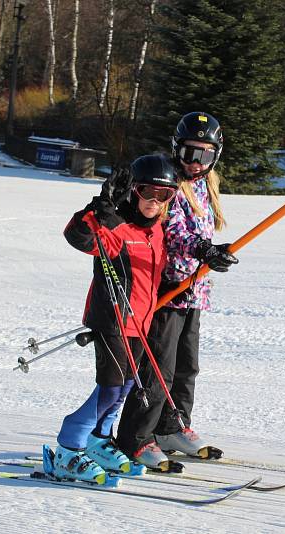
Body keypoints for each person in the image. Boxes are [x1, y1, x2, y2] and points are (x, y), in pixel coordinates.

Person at [115, 112, 238, 471]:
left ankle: (171, 427)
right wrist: (203, 250)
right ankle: (136, 437)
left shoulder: (205, 184)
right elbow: (173, 233)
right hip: (167, 288)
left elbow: (199, 234)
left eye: (203, 155)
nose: (194, 163)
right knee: (158, 370)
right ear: (175, 148)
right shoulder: (167, 181)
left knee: (187, 367)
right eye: (188, 153)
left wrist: (212, 254)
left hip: (194, 289)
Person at [51, 154, 179, 484]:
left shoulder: (158, 232)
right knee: (109, 388)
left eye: (165, 195)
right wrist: (99, 208)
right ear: (133, 192)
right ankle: (69, 445)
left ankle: (98, 441)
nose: (155, 202)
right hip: (112, 320)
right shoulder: (117, 229)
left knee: (123, 389)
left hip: (141, 322)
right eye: (149, 192)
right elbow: (77, 235)